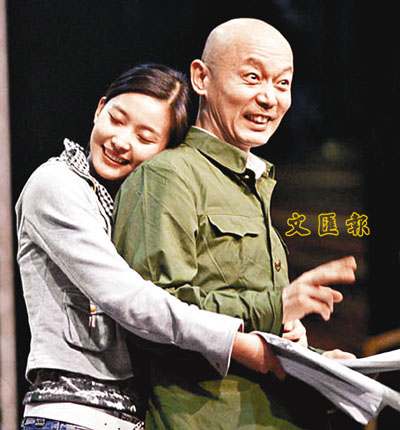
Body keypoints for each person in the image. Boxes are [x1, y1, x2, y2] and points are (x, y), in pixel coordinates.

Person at [113, 20, 358, 429]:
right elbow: (151, 313)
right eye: (252, 77)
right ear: (201, 78)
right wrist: (277, 307)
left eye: (283, 83)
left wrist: (315, 365)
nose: (269, 98)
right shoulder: (168, 176)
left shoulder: (253, 185)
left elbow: (260, 337)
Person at [16, 63, 287, 430]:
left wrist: (283, 332)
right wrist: (236, 342)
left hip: (133, 417)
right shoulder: (56, 185)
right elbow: (128, 297)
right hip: (73, 416)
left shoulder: (131, 205)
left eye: (145, 138)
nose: (121, 141)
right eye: (116, 119)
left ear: (163, 152)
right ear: (99, 109)